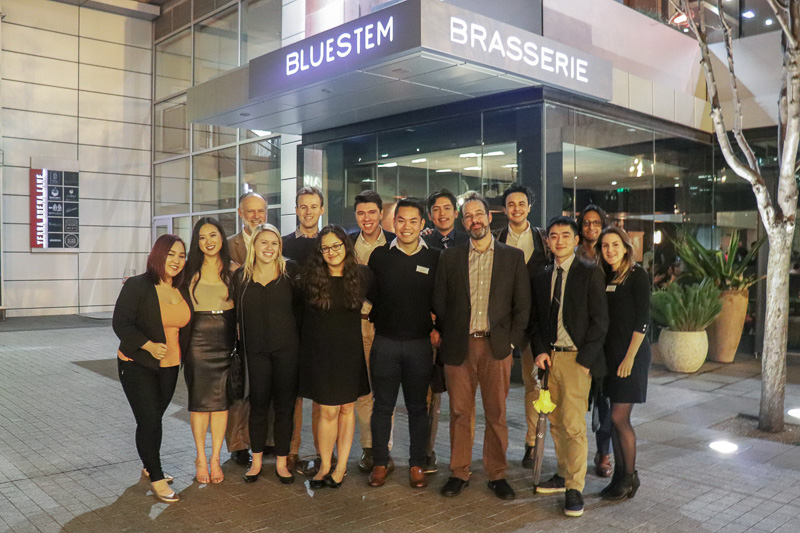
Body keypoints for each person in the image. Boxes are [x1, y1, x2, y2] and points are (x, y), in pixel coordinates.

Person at [433, 193, 531, 501]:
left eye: (479, 214)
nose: (474, 220)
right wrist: (449, 333)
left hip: (496, 347)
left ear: (490, 218)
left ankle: (496, 474)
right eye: (468, 217)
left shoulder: (512, 257)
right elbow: (439, 300)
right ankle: (460, 471)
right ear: (464, 223)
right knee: (460, 413)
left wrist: (512, 341)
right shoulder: (450, 257)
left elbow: (523, 305)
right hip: (459, 348)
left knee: (496, 414)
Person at [530, 216, 609, 517]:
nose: (559, 240)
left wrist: (586, 361)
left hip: (577, 360)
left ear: (576, 241)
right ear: (547, 241)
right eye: (553, 235)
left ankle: (575, 487)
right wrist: (539, 351)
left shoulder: (589, 274)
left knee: (574, 426)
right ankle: (563, 473)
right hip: (549, 359)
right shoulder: (541, 276)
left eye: (565, 235)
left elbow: (600, 321)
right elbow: (535, 321)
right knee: (554, 422)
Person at [113, 234, 192, 503]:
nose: (176, 260)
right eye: (171, 254)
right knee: (149, 420)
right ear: (157, 254)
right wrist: (147, 345)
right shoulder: (138, 285)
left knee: (153, 418)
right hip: (137, 363)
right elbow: (121, 324)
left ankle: (148, 464)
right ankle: (156, 477)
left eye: (181, 256)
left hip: (169, 366)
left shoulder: (181, 288)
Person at [366, 198, 439, 488]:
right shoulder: (379, 256)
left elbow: (441, 299)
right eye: (400, 220)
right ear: (392, 223)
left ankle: (417, 464)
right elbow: (372, 295)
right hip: (385, 343)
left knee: (417, 408)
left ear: (422, 224)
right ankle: (380, 462)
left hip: (419, 345)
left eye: (413, 221)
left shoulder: (435, 258)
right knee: (382, 407)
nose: (406, 226)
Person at [298, 225, 372, 489]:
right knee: (328, 411)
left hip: (350, 354)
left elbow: (384, 303)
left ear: (346, 246)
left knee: (347, 409)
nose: (331, 252)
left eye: (336, 246)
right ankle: (325, 465)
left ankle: (341, 468)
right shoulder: (310, 279)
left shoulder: (361, 275)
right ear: (320, 252)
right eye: (325, 247)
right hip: (321, 354)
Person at [236, 224, 301, 485]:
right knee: (259, 406)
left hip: (288, 351)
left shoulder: (290, 272)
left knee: (285, 408)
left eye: (274, 243)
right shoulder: (241, 276)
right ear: (254, 245)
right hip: (255, 353)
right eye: (263, 242)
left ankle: (283, 463)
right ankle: (258, 461)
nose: (269, 248)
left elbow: (301, 311)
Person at [493, 184, 550, 468]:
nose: (516, 208)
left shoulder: (544, 240)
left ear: (529, 207)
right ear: (504, 210)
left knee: (535, 385)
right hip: (503, 323)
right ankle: (496, 445)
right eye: (511, 204)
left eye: (521, 203)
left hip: (535, 323)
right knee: (497, 387)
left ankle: (532, 442)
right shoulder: (495, 239)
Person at [596, 227, 650, 500]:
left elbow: (643, 319)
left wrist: (629, 358)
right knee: (614, 420)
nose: (610, 250)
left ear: (626, 247)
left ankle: (629, 477)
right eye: (605, 246)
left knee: (619, 417)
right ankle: (620, 477)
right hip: (610, 356)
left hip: (631, 355)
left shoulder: (637, 275)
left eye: (615, 245)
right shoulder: (604, 274)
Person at [183, 218, 237, 484]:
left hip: (225, 341)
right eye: (202, 237)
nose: (208, 241)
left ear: (222, 238)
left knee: (220, 403)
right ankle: (200, 458)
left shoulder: (234, 271)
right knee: (200, 404)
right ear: (197, 242)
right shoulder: (187, 272)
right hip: (197, 342)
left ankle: (215, 458)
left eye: (213, 235)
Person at [421, 188, 468, 474]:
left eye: (447, 208)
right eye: (436, 209)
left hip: (464, 330)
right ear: (430, 215)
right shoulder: (424, 242)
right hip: (433, 332)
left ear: (455, 212)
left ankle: (461, 459)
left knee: (462, 402)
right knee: (431, 395)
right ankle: (427, 452)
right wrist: (433, 327)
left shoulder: (468, 241)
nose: (442, 213)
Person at [349, 190, 396, 473]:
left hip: (385, 325)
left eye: (371, 213)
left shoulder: (394, 243)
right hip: (355, 325)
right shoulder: (346, 243)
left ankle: (383, 450)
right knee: (363, 391)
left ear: (381, 214)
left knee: (385, 391)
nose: (366, 218)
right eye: (361, 213)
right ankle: (369, 448)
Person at [282, 186, 325, 473]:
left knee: (323, 396)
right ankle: (291, 452)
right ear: (296, 210)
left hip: (323, 329)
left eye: (314, 206)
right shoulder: (282, 245)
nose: (308, 212)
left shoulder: (331, 242)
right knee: (292, 395)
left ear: (322, 209)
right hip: (291, 328)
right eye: (303, 207)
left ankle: (324, 454)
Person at [225, 191, 268, 466]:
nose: (256, 216)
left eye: (261, 211)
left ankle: (265, 441)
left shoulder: (274, 241)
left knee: (266, 386)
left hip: (268, 325)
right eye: (250, 211)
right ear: (240, 213)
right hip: (239, 327)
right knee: (239, 388)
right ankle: (239, 444)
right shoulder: (228, 246)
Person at [576, 204, 613, 478]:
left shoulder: (609, 255)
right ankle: (574, 456)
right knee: (577, 403)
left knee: (605, 401)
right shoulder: (574, 253)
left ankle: (603, 454)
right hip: (578, 337)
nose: (591, 227)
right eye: (586, 223)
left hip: (606, 338)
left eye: (596, 223)